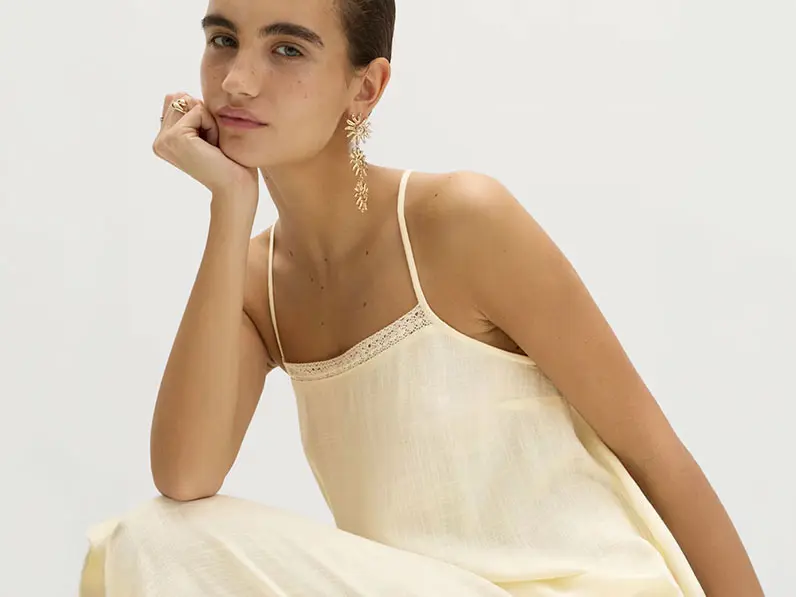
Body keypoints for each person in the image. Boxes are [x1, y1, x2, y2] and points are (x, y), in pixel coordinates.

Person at [79, 0, 764, 595]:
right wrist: (228, 208)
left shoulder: (460, 221)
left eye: (287, 48)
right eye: (223, 38)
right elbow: (184, 477)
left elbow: (657, 455)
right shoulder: (258, 283)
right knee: (152, 538)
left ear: (366, 88)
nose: (237, 81)